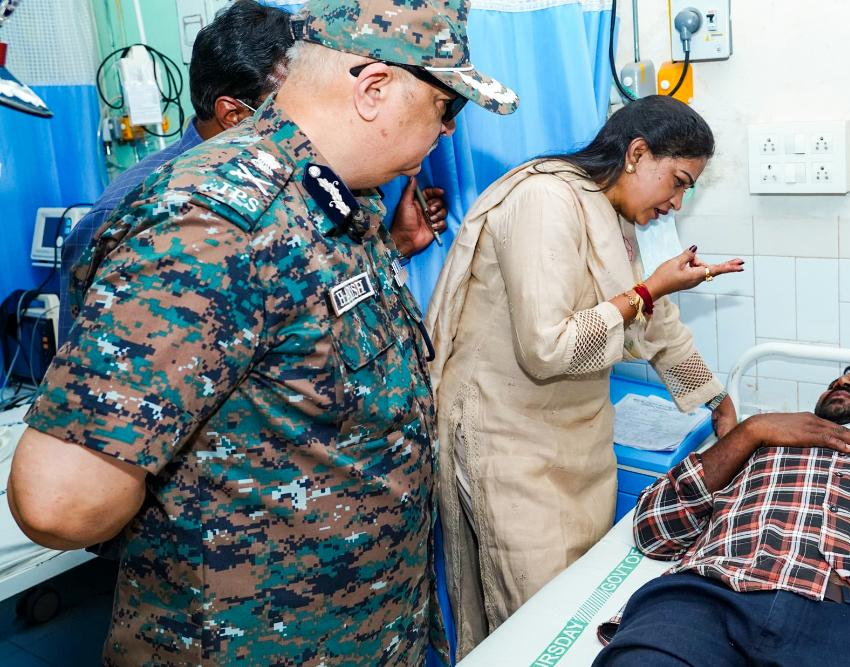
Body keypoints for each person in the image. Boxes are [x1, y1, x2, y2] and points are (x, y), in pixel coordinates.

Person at [7, 0, 517, 664]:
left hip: (362, 631)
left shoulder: (334, 196)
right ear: (373, 88)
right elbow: (60, 502)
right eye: (447, 107)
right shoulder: (214, 222)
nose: (447, 131)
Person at [425, 94, 744, 656]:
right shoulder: (544, 199)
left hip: (574, 439)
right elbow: (548, 348)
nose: (676, 202)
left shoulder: (613, 216)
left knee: (579, 604)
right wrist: (649, 289)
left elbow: (654, 322)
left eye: (687, 190)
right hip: (507, 436)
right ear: (637, 153)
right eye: (677, 182)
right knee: (531, 616)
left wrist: (717, 403)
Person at [58, 0, 448, 343]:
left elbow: (301, 309)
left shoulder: (304, 181)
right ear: (233, 114)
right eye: (289, 102)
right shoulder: (155, 213)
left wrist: (397, 245)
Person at [595, 362, 850, 667]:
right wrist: (751, 431)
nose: (845, 384)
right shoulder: (759, 444)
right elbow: (653, 532)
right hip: (708, 603)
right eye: (839, 382)